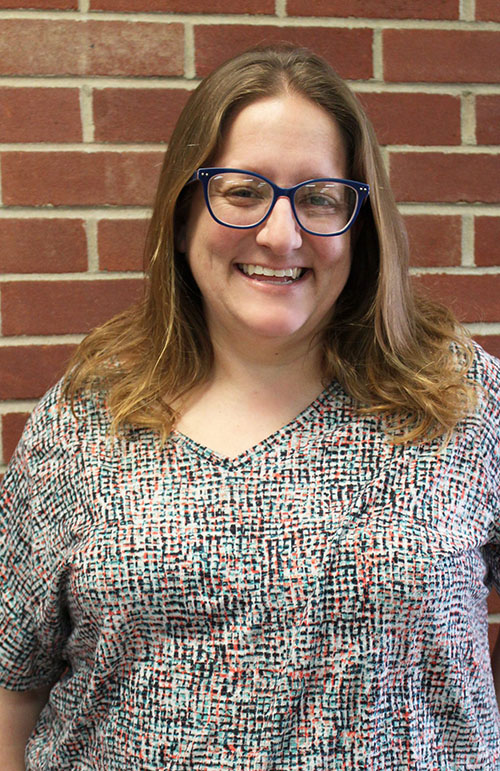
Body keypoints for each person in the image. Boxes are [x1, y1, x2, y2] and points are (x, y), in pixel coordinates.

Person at [0, 43, 499, 771]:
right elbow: (12, 683)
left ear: (359, 226)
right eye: (241, 191)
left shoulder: (460, 397)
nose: (280, 233)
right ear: (182, 213)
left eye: (321, 197)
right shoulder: (86, 417)